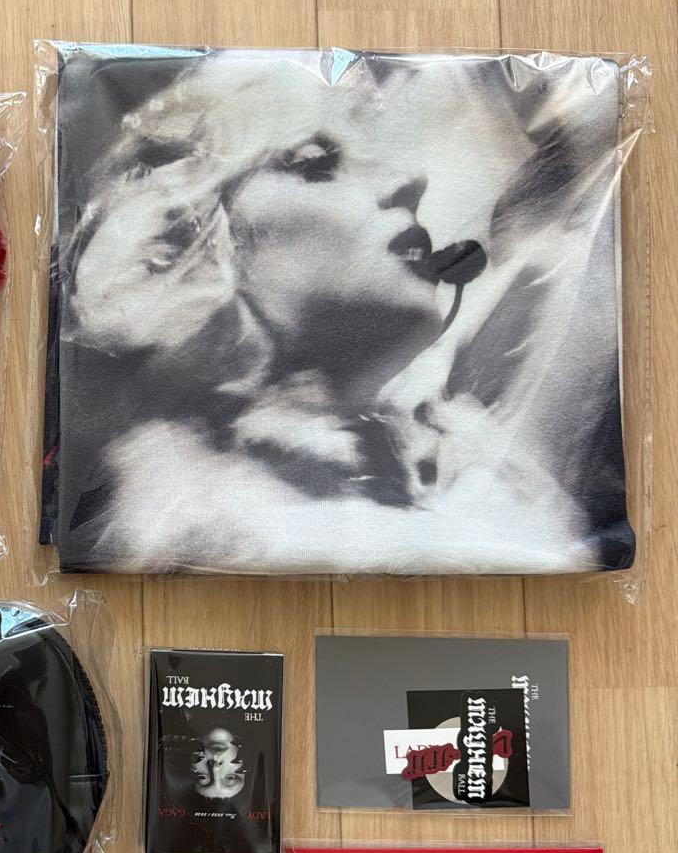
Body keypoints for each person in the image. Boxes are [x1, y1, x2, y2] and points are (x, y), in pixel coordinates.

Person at [52, 49, 633, 574]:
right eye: (315, 163)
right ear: (187, 246)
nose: (410, 181)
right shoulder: (181, 515)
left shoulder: (460, 467)